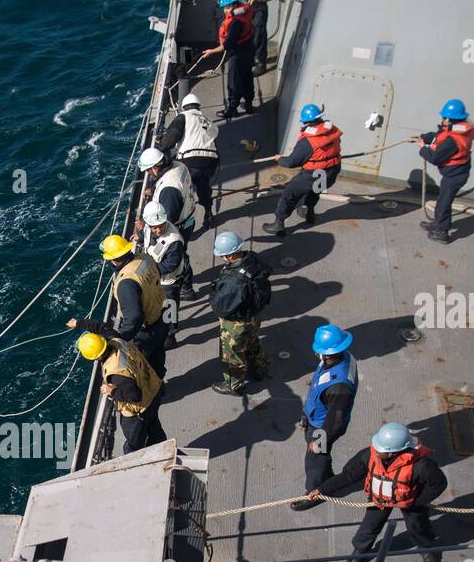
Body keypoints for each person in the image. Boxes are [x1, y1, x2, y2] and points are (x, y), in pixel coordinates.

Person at [308, 422, 447, 562]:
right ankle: (361, 552)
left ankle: (427, 548)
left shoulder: (422, 466)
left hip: (410, 500)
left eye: (380, 449)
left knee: (418, 526)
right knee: (369, 527)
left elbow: (438, 484)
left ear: (394, 452)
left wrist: (416, 502)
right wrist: (322, 489)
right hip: (379, 500)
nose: (375, 449)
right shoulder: (370, 455)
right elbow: (348, 476)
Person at [66, 233, 169, 379]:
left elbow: (134, 318)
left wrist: (119, 339)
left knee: (144, 364)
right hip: (162, 312)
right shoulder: (145, 258)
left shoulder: (126, 283)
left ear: (113, 260)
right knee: (159, 351)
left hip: (148, 329)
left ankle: (153, 388)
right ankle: (160, 378)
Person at [291, 324, 358, 511]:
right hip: (317, 419)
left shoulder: (339, 387)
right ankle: (328, 479)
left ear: (327, 354)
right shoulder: (343, 358)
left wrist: (320, 441)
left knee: (315, 459)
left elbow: (335, 419)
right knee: (320, 458)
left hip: (323, 428)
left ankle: (316, 491)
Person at [76, 332, 166, 453]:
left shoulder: (116, 373)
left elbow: (134, 396)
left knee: (133, 445)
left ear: (95, 357)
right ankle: (163, 451)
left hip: (142, 408)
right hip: (153, 389)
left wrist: (112, 390)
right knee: (155, 429)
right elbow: (104, 328)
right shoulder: (117, 340)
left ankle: (135, 464)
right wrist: (79, 323)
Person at [262, 103, 341, 237]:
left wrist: (279, 159)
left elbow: (292, 162)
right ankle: (309, 213)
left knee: (289, 194)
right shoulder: (331, 130)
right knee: (315, 191)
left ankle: (278, 224)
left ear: (306, 122)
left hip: (313, 175)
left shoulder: (308, 141)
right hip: (331, 172)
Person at [210, 231, 271, 396]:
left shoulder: (234, 281)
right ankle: (260, 367)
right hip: (254, 314)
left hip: (236, 323)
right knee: (252, 341)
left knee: (232, 354)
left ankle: (233, 384)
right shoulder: (253, 259)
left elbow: (220, 307)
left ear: (229, 256)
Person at [411, 99, 474, 245]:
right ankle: (438, 223)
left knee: (445, 202)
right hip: (456, 172)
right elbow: (438, 135)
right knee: (442, 200)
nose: (441, 119)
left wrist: (422, 148)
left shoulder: (453, 140)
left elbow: (434, 157)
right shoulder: (457, 129)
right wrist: (423, 137)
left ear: (449, 119)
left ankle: (442, 232)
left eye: (443, 117)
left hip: (455, 175)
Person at [155, 92, 220, 231]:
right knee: (203, 185)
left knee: (182, 188)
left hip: (190, 161)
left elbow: (172, 137)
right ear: (199, 107)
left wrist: (159, 151)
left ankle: (179, 223)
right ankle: (208, 213)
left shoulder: (183, 116)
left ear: (184, 108)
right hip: (211, 162)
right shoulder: (210, 122)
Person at [139, 201, 191, 345]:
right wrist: (140, 236)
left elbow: (171, 265)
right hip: (154, 278)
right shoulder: (149, 228)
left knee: (170, 308)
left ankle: (170, 335)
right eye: (154, 227)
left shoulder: (174, 241)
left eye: (161, 226)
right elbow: (147, 239)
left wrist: (150, 272)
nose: (158, 230)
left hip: (169, 282)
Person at [138, 147, 198, 238]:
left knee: (178, 250)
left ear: (156, 168)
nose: (148, 173)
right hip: (188, 217)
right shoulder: (179, 165)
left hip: (177, 231)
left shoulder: (169, 191)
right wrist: (154, 191)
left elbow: (164, 223)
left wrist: (143, 231)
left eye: (148, 170)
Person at [238, 0, 278, 70]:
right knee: (247, 31)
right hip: (246, 6)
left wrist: (260, 0)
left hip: (260, 6)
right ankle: (250, 58)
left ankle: (260, 62)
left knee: (259, 31)